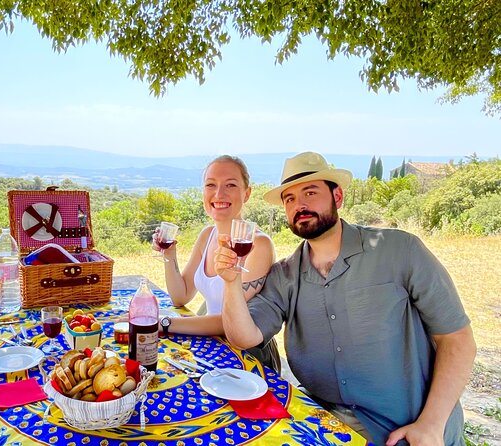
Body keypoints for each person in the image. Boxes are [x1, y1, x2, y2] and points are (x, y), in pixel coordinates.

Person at [214, 151, 476, 446]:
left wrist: (431, 424)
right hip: (327, 426)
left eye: (310, 192)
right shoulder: (285, 275)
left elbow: (457, 339)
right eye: (289, 199)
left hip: (413, 429)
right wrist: (231, 282)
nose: (299, 205)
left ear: (337, 197)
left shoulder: (400, 251)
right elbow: (244, 336)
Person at [151, 155, 281, 370]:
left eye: (230, 185)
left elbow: (228, 322)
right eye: (211, 185)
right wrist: (169, 254)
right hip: (214, 346)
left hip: (249, 357)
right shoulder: (207, 235)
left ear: (246, 193)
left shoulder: (258, 245)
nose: (219, 194)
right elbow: (180, 296)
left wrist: (163, 323)